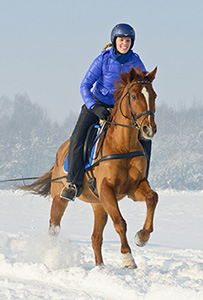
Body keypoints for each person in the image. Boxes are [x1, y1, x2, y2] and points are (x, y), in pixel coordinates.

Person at [61, 23, 151, 201]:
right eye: (121, 40)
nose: (124, 43)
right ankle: (73, 183)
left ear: (131, 43)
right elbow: (85, 85)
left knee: (145, 138)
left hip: (122, 111)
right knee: (78, 138)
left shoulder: (137, 62)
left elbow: (142, 88)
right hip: (96, 105)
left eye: (127, 41)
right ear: (114, 41)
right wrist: (94, 107)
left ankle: (142, 179)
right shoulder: (102, 59)